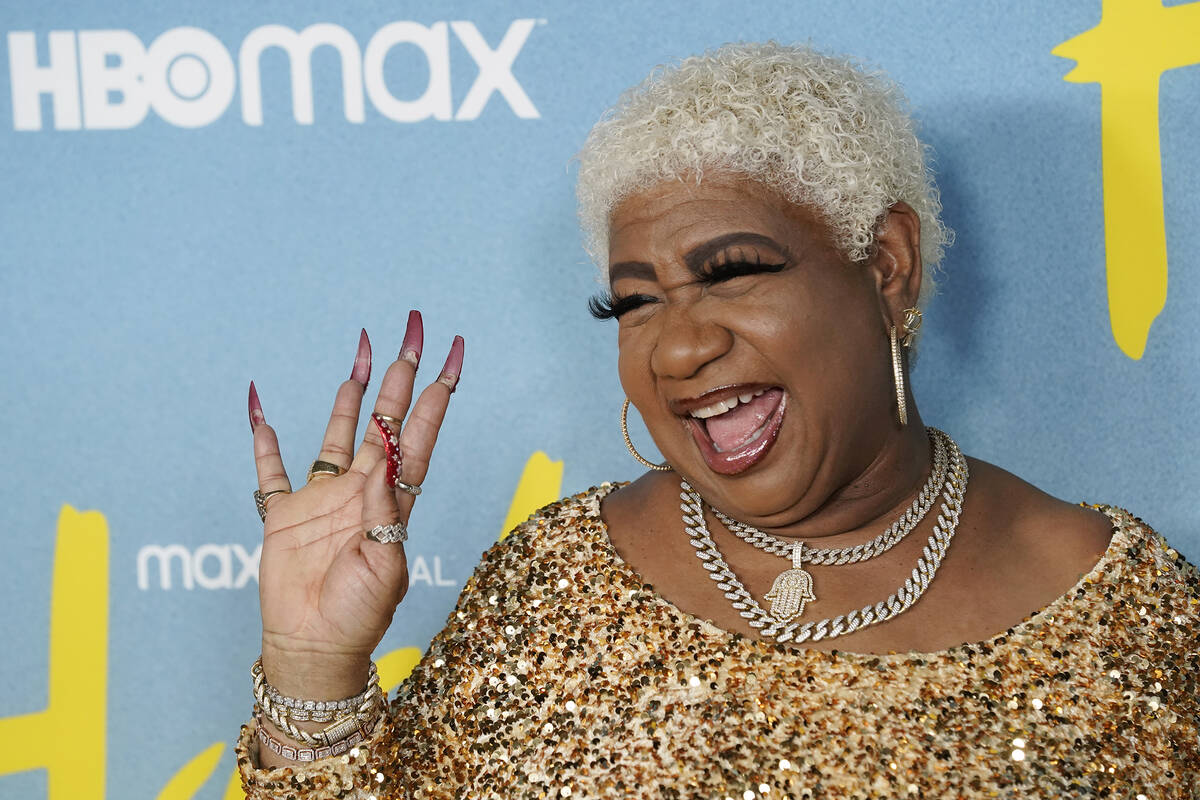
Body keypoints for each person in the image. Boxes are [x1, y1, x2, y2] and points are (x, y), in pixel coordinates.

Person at [236, 43, 1199, 798]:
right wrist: (313, 666)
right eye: (635, 303)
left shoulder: (1121, 613)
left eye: (732, 272)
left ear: (887, 263)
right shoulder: (556, 585)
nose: (678, 348)